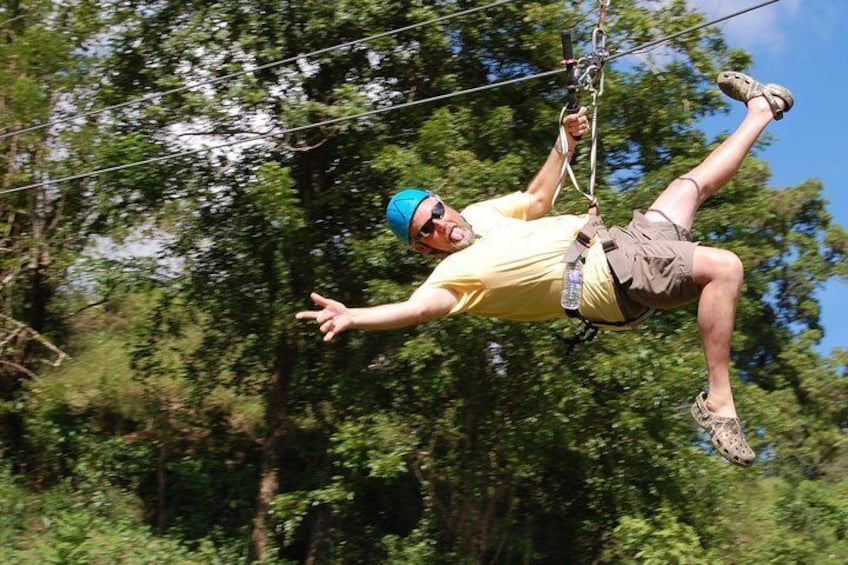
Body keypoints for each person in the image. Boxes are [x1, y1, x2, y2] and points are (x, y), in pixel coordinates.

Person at [296, 71, 794, 467]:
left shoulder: (482, 214)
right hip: (612, 279)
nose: (444, 223)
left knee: (690, 187)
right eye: (429, 228)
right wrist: (354, 316)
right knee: (725, 267)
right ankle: (719, 404)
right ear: (424, 248)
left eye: (438, 209)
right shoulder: (452, 278)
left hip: (620, 242)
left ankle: (759, 109)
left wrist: (565, 140)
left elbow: (537, 197)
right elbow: (415, 310)